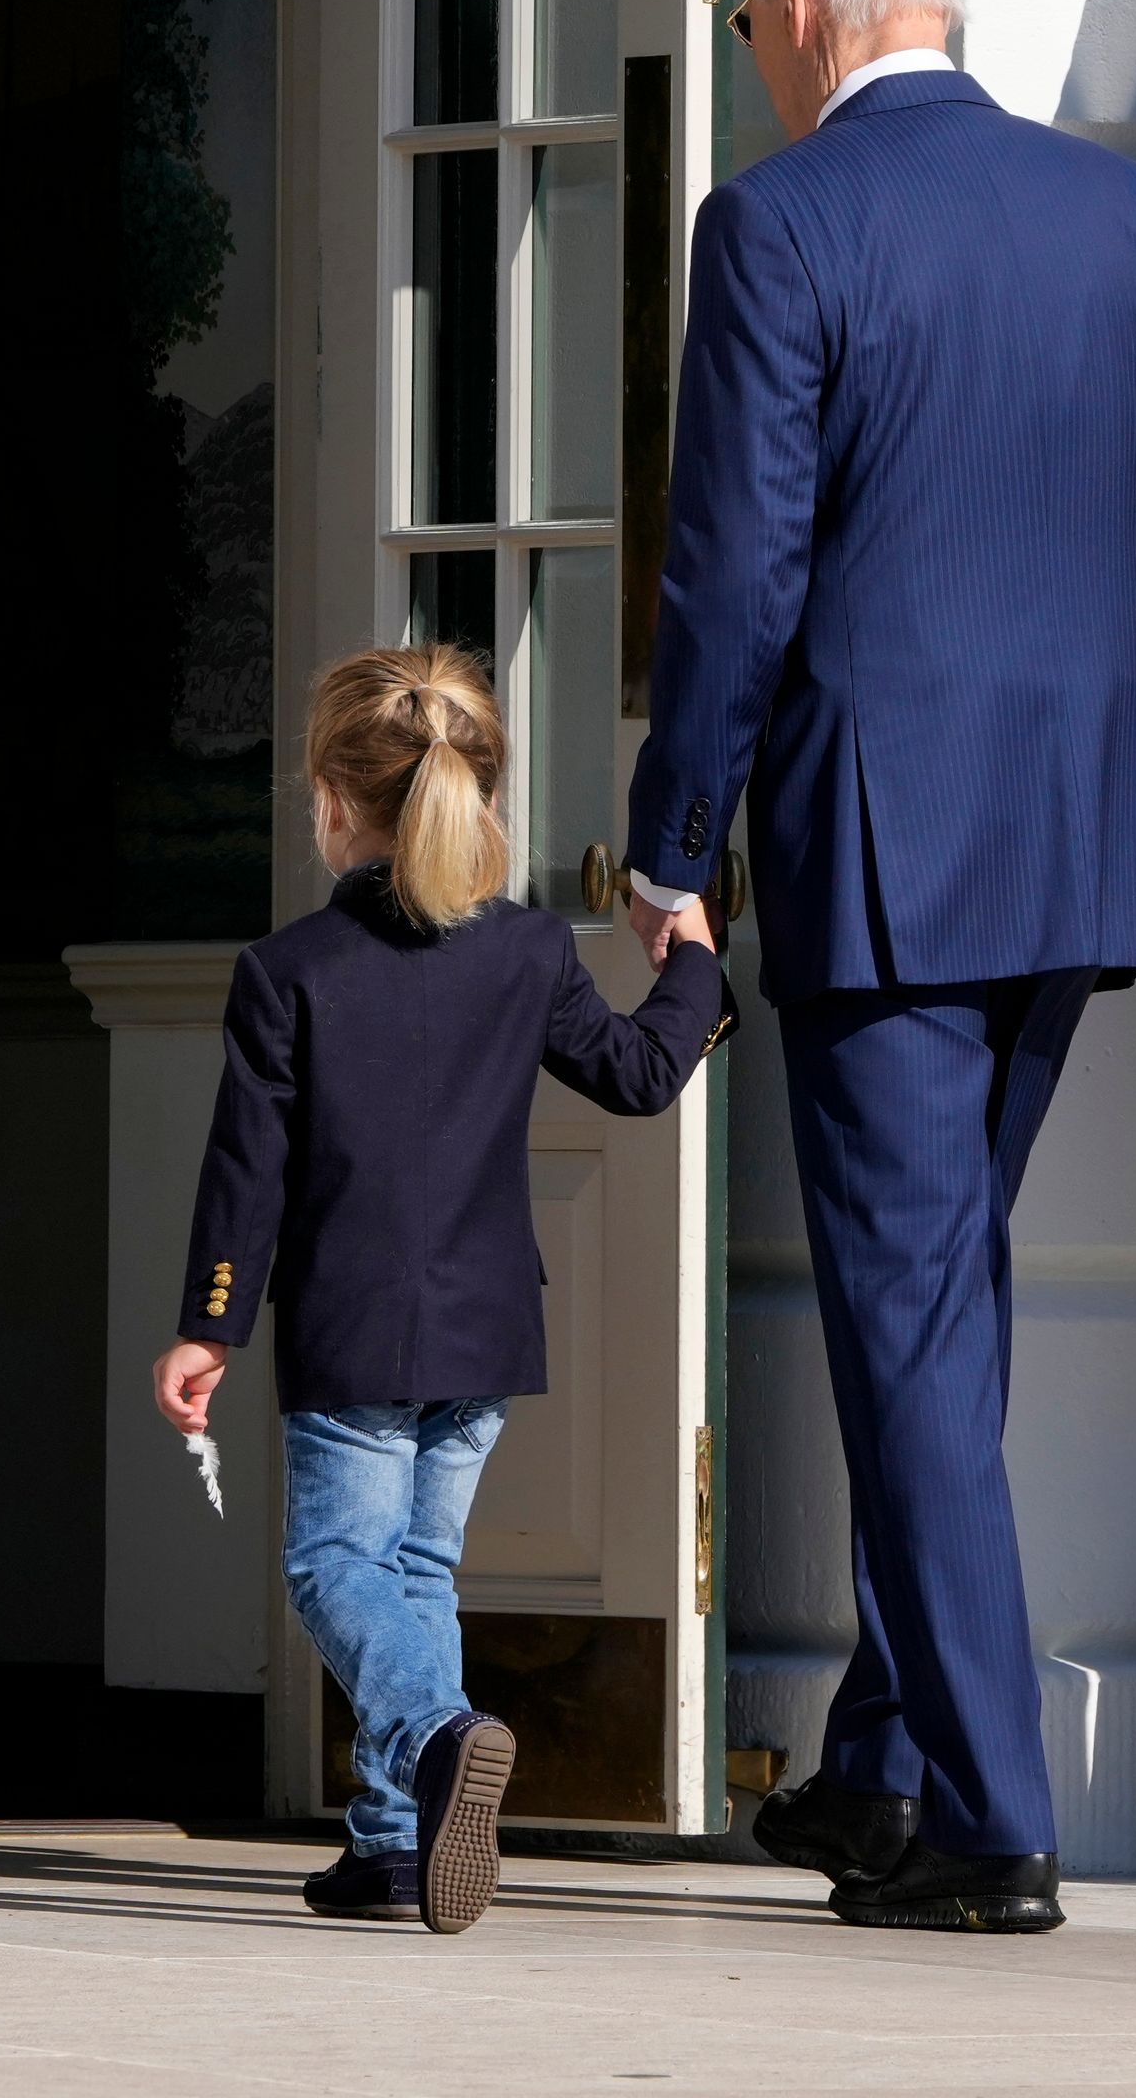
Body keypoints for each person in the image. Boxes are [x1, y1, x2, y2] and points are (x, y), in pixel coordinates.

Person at [623, 0, 1136, 1933]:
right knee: (944, 1295)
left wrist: (668, 840)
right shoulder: (1113, 213)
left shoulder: (781, 218)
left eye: (742, 16)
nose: (749, 51)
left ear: (797, 2)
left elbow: (738, 573)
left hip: (884, 850)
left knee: (908, 1322)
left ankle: (994, 1812)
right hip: (1077, 848)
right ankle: (888, 1760)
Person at [154, 647, 734, 1934]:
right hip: (486, 1327)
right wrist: (695, 957)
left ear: (331, 798)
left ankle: (436, 1734)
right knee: (417, 1570)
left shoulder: (289, 968)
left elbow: (244, 1176)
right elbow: (642, 1075)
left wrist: (208, 1324)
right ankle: (394, 1847)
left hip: (355, 1329)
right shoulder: (527, 950)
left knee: (331, 1566)